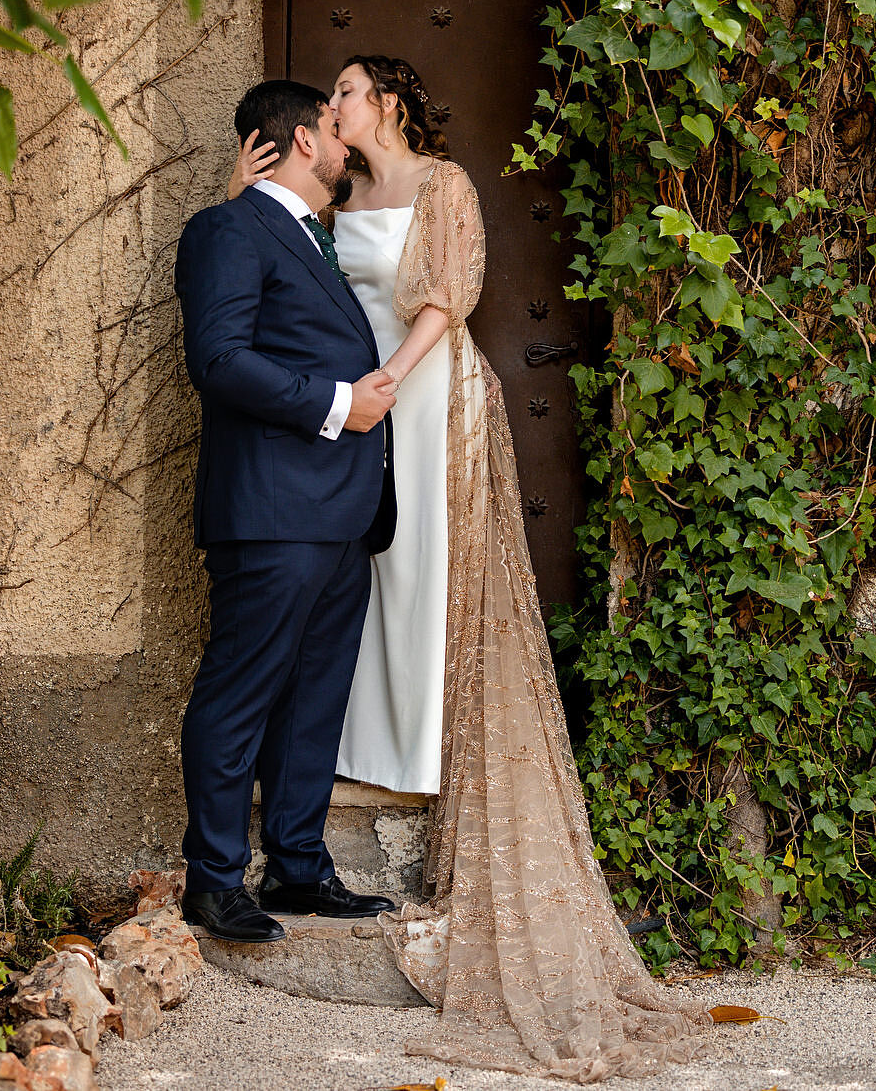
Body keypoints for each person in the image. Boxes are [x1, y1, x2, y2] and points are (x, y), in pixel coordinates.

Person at [227, 56, 711, 1079]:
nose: (334, 108)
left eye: (348, 93)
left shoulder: (440, 185)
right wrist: (241, 198)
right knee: (368, 576)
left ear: (390, 103)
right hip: (348, 408)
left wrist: (388, 383)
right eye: (331, 101)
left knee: (425, 567)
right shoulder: (336, 196)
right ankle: (371, 743)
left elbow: (445, 296)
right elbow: (269, 265)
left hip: (422, 390)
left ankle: (433, 747)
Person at [173, 80, 400, 944]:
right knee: (239, 696)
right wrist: (340, 403)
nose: (348, 149)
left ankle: (298, 865)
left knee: (314, 699)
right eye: (338, 133)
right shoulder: (228, 229)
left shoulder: (307, 234)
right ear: (306, 140)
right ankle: (214, 879)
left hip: (340, 513)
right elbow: (220, 360)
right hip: (270, 512)